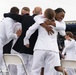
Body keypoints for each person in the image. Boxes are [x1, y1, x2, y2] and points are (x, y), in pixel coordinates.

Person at [24, 8, 68, 75]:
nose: (62, 18)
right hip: (52, 50)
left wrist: (26, 40)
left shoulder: (41, 21)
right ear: (54, 14)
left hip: (40, 48)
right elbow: (63, 33)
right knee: (49, 71)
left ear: (44, 14)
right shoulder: (57, 24)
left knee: (35, 69)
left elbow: (30, 30)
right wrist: (55, 25)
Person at [0, 6, 22, 71]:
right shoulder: (9, 21)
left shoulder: (4, 20)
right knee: (1, 66)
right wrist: (17, 35)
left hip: (1, 43)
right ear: (17, 13)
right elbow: (9, 35)